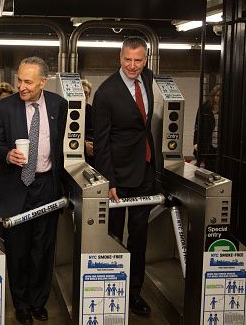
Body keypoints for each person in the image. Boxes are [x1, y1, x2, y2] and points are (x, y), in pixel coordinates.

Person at [0, 56, 68, 324]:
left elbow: (61, 149)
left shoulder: (59, 105)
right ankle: (20, 303)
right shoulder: (4, 108)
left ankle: (38, 301)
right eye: (19, 80)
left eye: (28, 82)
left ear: (43, 82)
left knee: (43, 248)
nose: (21, 86)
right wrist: (7, 154)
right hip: (16, 185)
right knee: (18, 250)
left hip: (47, 186)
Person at [92, 37, 155, 315]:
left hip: (145, 172)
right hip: (118, 177)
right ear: (120, 57)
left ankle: (134, 293)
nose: (132, 66)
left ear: (145, 60)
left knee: (139, 237)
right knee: (115, 236)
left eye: (138, 60)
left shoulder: (149, 79)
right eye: (127, 60)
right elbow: (102, 142)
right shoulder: (105, 92)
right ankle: (111, 291)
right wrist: (109, 181)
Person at [193, 84, 221, 171]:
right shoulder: (205, 107)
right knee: (207, 167)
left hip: (220, 143)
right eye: (217, 95)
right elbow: (198, 126)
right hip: (208, 142)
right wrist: (195, 142)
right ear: (213, 96)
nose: (218, 98)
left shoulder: (226, 108)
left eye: (220, 96)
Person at [81, 79, 95, 166]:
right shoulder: (67, 111)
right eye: (81, 93)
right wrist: (84, 144)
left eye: (86, 93)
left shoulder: (93, 111)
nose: (84, 96)